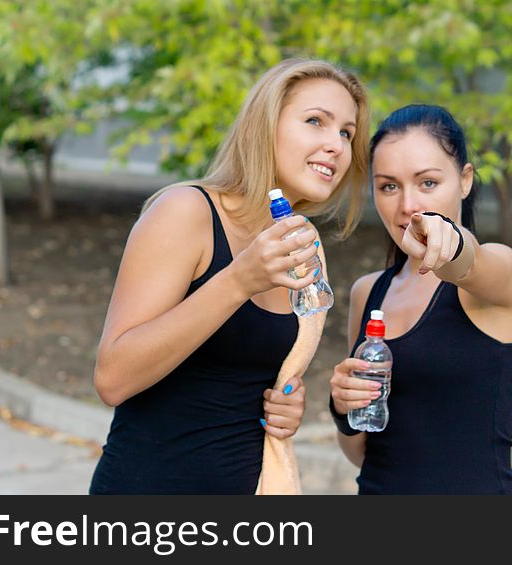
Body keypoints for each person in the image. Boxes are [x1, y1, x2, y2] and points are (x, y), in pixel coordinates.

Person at [89, 59, 370, 494]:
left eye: (346, 133)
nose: (335, 144)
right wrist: (239, 281)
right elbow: (113, 379)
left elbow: (244, 377)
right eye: (316, 121)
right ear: (265, 126)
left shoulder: (301, 246)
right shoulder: (186, 212)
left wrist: (285, 406)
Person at [329, 104, 512, 494]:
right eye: (389, 186)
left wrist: (451, 246)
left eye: (428, 183)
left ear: (465, 180)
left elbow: (469, 263)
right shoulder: (368, 293)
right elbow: (362, 451)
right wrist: (344, 408)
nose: (407, 205)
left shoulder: (499, 270)